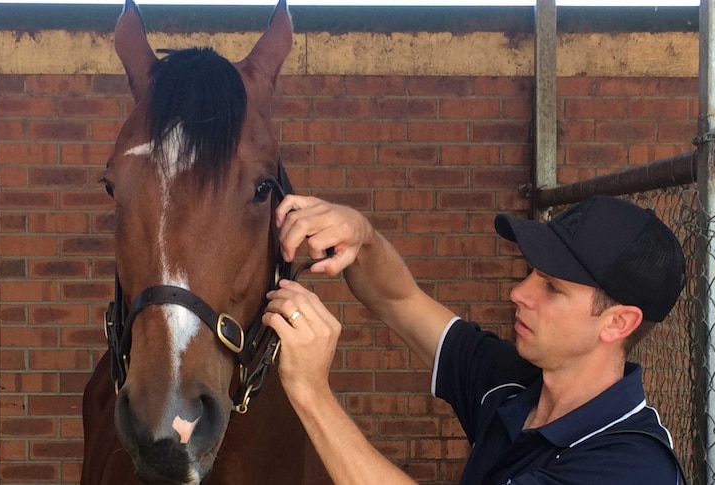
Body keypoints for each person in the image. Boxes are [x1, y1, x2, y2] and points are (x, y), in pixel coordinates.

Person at [261, 194, 687, 485]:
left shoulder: (630, 467)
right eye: (531, 274)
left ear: (617, 323)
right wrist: (362, 236)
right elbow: (400, 300)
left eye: (552, 287)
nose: (519, 293)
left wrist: (311, 391)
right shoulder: (517, 384)